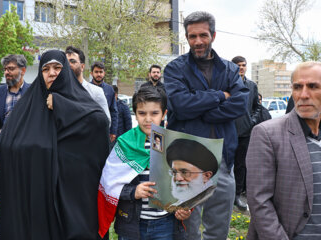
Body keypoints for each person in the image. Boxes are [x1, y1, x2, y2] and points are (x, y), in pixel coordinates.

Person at [0, 50, 110, 240]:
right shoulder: (28, 106)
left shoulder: (82, 102)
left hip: (73, 201)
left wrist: (63, 106)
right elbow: (7, 144)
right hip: (37, 196)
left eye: (57, 67)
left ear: (65, 71)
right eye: (46, 69)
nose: (51, 73)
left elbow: (99, 123)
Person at [164, 11, 249, 240]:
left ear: (213, 34)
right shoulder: (174, 69)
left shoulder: (230, 70)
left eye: (203, 35)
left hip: (222, 161)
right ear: (187, 38)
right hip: (187, 161)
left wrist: (200, 109)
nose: (198, 41)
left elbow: (240, 104)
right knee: (187, 229)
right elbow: (180, 105)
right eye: (192, 36)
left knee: (218, 228)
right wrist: (220, 96)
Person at [246, 62, 321, 240]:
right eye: (298, 87)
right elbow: (259, 202)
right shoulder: (267, 134)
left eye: (313, 86)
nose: (303, 95)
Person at [98, 87, 191, 240]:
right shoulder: (124, 144)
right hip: (131, 225)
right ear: (135, 113)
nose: (148, 119)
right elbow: (109, 184)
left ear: (164, 114)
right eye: (142, 113)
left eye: (154, 113)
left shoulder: (175, 144)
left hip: (165, 224)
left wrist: (183, 210)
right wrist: (133, 192)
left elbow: (186, 186)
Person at [0, 54, 30, 169]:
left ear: (23, 70)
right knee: (5, 186)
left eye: (11, 69)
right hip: (3, 151)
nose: (7, 72)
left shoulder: (32, 92)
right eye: (5, 69)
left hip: (25, 151)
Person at [231, 56, 261, 211]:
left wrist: (253, 121)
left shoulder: (251, 85)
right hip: (228, 131)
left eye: (243, 65)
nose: (241, 67)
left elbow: (257, 107)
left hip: (245, 132)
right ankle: (226, 195)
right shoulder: (227, 84)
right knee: (226, 164)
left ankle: (237, 196)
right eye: (238, 65)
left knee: (241, 165)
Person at [64, 46, 111, 124]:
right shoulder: (60, 91)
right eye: (66, 62)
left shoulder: (96, 92)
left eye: (73, 61)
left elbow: (106, 121)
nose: (68, 65)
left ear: (82, 66)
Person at [166, 138, 217, 208]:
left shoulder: (213, 200)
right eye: (174, 172)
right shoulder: (178, 204)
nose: (177, 178)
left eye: (184, 172)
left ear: (206, 176)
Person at [91, 61, 118, 142]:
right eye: (96, 72)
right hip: (89, 128)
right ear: (91, 73)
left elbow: (114, 111)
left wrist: (113, 131)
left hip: (105, 128)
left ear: (104, 73)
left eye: (101, 72)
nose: (99, 74)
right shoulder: (86, 88)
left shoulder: (110, 89)